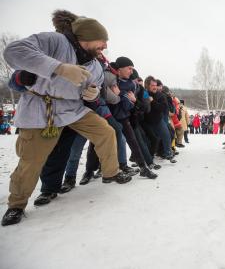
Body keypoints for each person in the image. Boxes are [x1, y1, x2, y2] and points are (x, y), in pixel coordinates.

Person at [2, 11, 132, 226]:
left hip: (73, 108)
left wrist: (92, 95)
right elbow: (13, 51)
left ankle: (110, 172)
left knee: (106, 131)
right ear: (86, 37)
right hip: (41, 107)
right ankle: (16, 204)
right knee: (32, 160)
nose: (105, 46)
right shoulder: (55, 42)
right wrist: (59, 68)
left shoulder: (95, 65)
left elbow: (96, 88)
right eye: (101, 41)